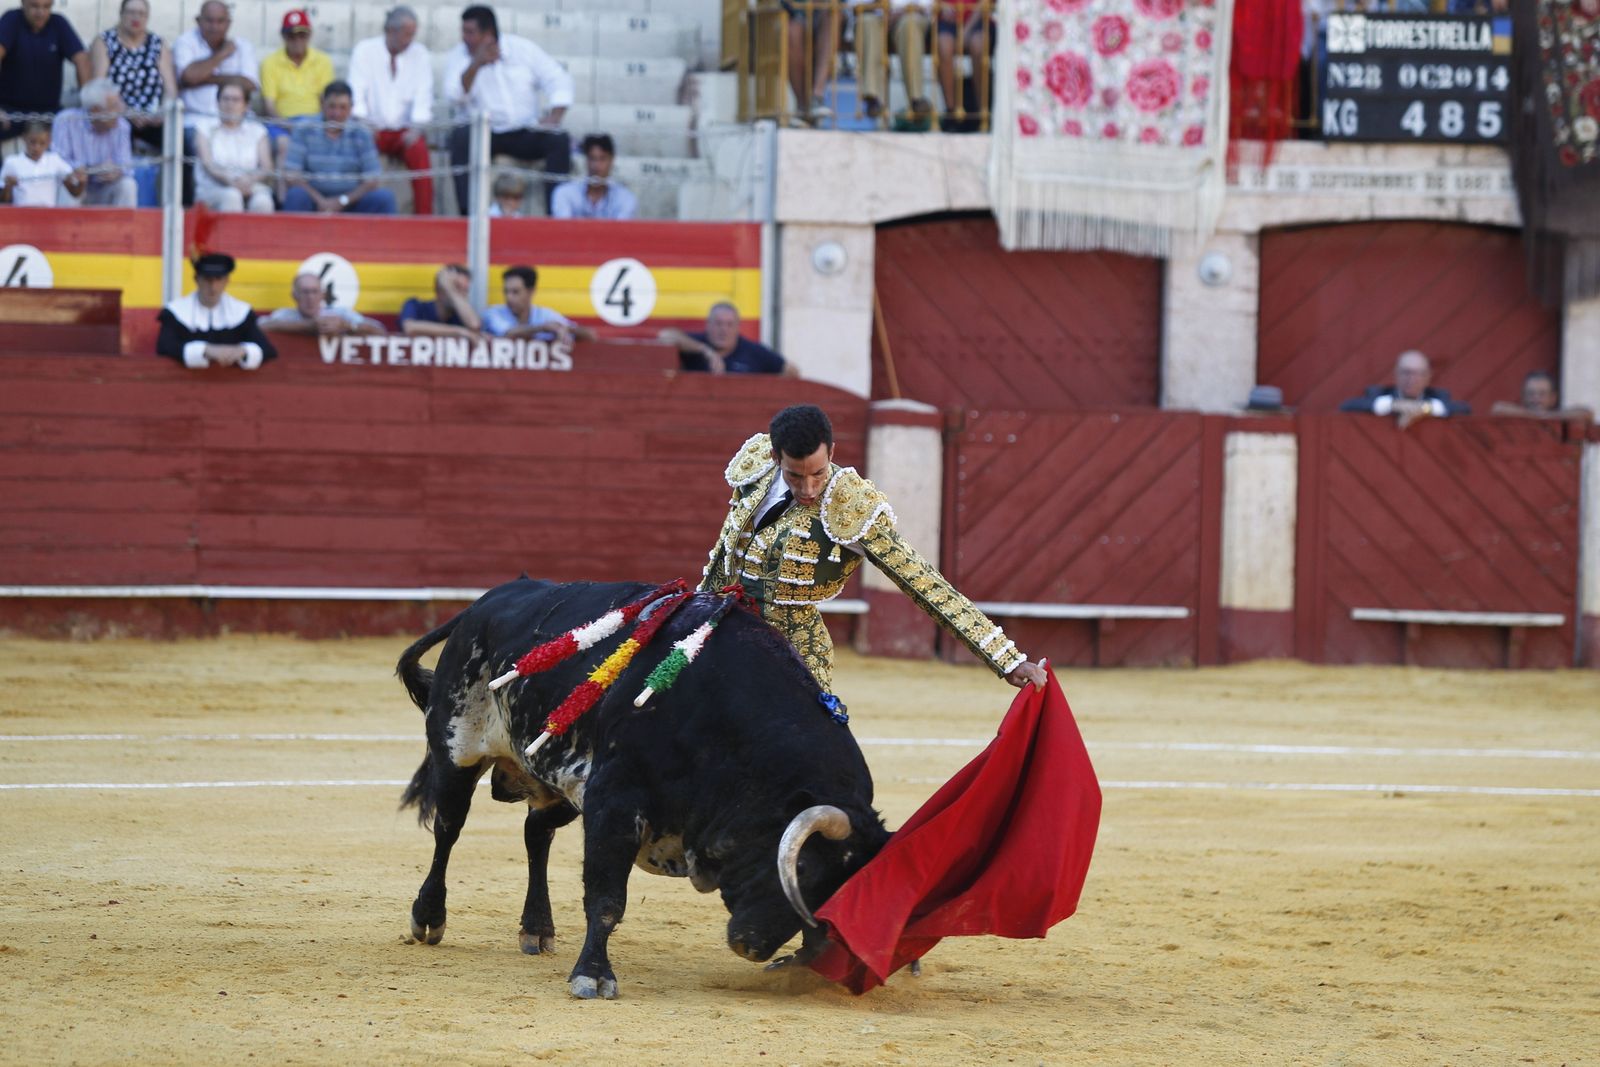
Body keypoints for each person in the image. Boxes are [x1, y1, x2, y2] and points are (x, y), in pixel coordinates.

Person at [701, 404, 1047, 694]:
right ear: (776, 456)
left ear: (832, 452)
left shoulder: (849, 505)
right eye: (795, 476)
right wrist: (697, 612)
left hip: (791, 651)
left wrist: (1005, 658)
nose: (808, 488)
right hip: (724, 629)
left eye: (818, 474)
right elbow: (724, 554)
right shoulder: (758, 467)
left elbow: (921, 580)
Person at [444, 5, 573, 214]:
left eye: (470, 32)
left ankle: (556, 214)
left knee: (559, 140)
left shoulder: (523, 49)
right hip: (484, 133)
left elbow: (558, 78)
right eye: (463, 31)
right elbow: (455, 96)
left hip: (524, 130)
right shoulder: (459, 56)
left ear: (488, 34)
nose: (464, 38)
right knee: (459, 139)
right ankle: (467, 215)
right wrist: (476, 63)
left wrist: (554, 116)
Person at [348, 5, 434, 216]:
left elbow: (424, 95)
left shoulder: (420, 54)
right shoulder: (365, 50)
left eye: (413, 35)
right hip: (371, 129)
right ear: (390, 31)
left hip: (406, 131)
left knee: (420, 152)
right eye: (406, 34)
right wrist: (363, 122)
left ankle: (425, 217)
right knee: (357, 148)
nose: (410, 40)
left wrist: (416, 128)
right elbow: (356, 92)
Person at [282, 80, 397, 214]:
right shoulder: (304, 129)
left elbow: (372, 180)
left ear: (351, 108)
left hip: (352, 202)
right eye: (332, 106)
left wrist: (342, 201)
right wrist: (321, 201)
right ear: (322, 104)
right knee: (295, 196)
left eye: (343, 107)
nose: (337, 113)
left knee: (384, 198)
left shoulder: (362, 133)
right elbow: (292, 175)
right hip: (314, 201)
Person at [156, 252, 277, 370]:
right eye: (207, 279)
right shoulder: (176, 312)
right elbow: (165, 346)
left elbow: (267, 349)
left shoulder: (241, 312)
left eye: (218, 279)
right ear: (196, 279)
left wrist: (243, 350)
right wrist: (205, 350)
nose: (213, 286)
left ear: (226, 281)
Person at [89, 0, 176, 151]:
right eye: (131, 12)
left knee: (181, 146)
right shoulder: (104, 41)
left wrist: (162, 113)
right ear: (121, 14)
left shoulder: (158, 43)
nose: (136, 18)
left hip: (152, 118)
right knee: (121, 133)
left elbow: (170, 89)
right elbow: (99, 85)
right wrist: (126, 112)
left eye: (142, 14)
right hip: (117, 116)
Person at [0, 0, 90, 144]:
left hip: (49, 113)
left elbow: (82, 59)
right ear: (23, 3)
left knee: (86, 127)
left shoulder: (58, 23)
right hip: (10, 112)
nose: (40, 12)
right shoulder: (11, 20)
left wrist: (88, 104)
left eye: (46, 6)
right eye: (34, 6)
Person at [51, 78, 137, 206]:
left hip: (105, 189)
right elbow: (57, 162)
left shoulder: (122, 125)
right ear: (95, 110)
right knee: (69, 184)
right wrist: (89, 170)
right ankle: (65, 226)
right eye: (114, 106)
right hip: (76, 188)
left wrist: (117, 171)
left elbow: (127, 167)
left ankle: (125, 226)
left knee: (128, 185)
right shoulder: (65, 120)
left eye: (119, 103)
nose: (121, 109)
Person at [1339, 350, 1470, 429]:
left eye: (1419, 373)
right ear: (1396, 374)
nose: (1412, 379)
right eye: (1406, 372)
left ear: (1428, 377)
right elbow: (1347, 405)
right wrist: (1394, 405)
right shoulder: (1379, 393)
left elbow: (1464, 408)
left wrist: (1423, 409)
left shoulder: (1439, 396)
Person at [658, 302, 798, 376]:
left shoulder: (754, 352)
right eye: (718, 323)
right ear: (708, 325)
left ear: (738, 328)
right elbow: (665, 336)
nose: (723, 330)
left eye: (729, 324)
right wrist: (705, 350)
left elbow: (790, 370)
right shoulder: (696, 344)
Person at [172, 0, 258, 120]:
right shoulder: (185, 42)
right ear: (198, 21)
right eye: (209, 21)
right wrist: (222, 54)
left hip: (239, 121)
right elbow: (189, 77)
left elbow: (250, 85)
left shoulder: (243, 46)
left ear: (228, 23)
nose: (214, 27)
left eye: (220, 21)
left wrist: (202, 78)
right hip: (196, 120)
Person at [193, 82, 272, 212]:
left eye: (236, 100)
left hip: (250, 185)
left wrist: (249, 181)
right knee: (232, 196)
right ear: (217, 102)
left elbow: (266, 167)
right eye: (225, 99)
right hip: (213, 189)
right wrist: (230, 181)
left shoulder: (257, 131)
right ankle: (230, 234)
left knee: (263, 202)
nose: (230, 104)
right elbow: (208, 164)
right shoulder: (204, 128)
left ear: (246, 105)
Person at [854, 0, 935, 123]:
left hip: (910, 16)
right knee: (866, 21)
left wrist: (903, 11)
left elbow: (928, 6)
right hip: (876, 16)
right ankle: (872, 97)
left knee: (910, 25)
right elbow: (854, 6)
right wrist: (879, 7)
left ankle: (916, 100)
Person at [482, 264, 596, 341]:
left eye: (515, 292)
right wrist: (543, 328)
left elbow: (591, 335)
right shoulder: (493, 313)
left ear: (531, 292)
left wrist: (566, 329)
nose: (509, 297)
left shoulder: (545, 314)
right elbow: (508, 334)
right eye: (506, 292)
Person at [259, 10, 333, 126]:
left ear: (309, 35)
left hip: (314, 122)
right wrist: (287, 126)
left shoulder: (322, 61)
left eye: (302, 35)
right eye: (291, 36)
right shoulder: (270, 62)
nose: (297, 41)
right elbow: (269, 105)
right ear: (283, 36)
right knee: (283, 143)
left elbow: (326, 101)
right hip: (282, 121)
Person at [262, 272, 385, 336]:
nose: (310, 297)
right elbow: (260, 327)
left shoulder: (340, 314)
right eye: (305, 292)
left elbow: (380, 330)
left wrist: (347, 326)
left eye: (315, 292)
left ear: (323, 295)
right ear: (295, 295)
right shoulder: (284, 315)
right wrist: (307, 326)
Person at [550, 133, 637, 220]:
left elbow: (621, 232)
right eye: (592, 158)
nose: (596, 166)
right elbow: (563, 231)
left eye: (602, 159)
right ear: (586, 160)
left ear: (611, 160)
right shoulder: (565, 193)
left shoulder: (625, 198)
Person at [782, 0, 839, 124]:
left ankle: (816, 98)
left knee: (832, 18)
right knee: (792, 33)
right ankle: (802, 107)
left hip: (825, 13)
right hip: (795, 14)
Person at [0, 120, 82, 204]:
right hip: (20, 214)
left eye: (42, 143)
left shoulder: (55, 160)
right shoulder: (12, 162)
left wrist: (82, 182)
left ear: (49, 141)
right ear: (24, 138)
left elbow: (75, 193)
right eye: (32, 142)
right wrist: (8, 186)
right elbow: (3, 201)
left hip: (47, 215)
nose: (37, 148)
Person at [399, 264, 481, 340]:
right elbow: (410, 328)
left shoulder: (462, 317)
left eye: (465, 290)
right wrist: (460, 332)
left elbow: (474, 326)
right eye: (457, 288)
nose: (461, 296)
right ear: (439, 290)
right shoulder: (415, 306)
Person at [1491, 371, 1594, 422]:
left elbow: (1587, 413)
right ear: (1523, 396)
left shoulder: (1559, 417)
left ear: (1553, 398)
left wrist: (1546, 416)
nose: (1536, 399)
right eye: (1531, 393)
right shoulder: (1515, 416)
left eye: (1542, 394)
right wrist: (1539, 416)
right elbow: (1498, 408)